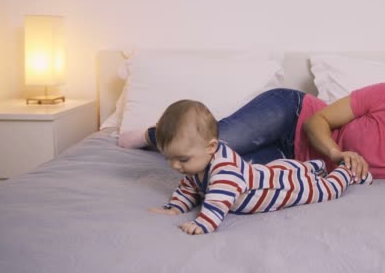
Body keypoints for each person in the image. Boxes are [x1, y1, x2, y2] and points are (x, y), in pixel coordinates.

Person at [122, 67, 385, 205]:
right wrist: (338, 154)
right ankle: (155, 133)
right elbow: (317, 123)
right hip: (289, 115)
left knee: (216, 174)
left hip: (294, 166)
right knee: (204, 144)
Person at [148, 99, 370, 235]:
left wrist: (203, 224)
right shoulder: (196, 165)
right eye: (170, 159)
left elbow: (217, 202)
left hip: (282, 189)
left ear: (211, 147)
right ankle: (313, 166)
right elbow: (189, 189)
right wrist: (175, 208)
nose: (175, 166)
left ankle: (346, 172)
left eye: (182, 160)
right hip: (266, 174)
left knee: (325, 190)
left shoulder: (224, 171)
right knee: (284, 168)